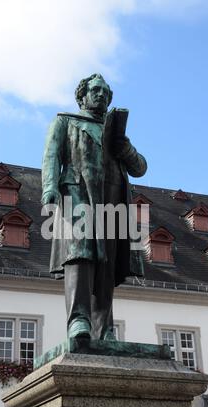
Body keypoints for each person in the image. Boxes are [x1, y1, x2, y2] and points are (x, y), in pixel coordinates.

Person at [42, 73, 147, 341]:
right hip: (77, 191)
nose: (101, 94)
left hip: (113, 197)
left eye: (105, 92)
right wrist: (49, 189)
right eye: (95, 90)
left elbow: (141, 169)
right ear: (83, 95)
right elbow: (52, 156)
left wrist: (126, 149)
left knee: (107, 263)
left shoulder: (115, 133)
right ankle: (79, 320)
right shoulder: (66, 122)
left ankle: (104, 329)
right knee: (80, 252)